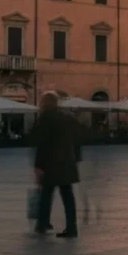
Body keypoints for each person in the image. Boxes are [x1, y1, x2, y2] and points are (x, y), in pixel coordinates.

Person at [31, 92, 80, 238]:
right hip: (67, 163)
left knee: (46, 194)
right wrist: (75, 158)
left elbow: (42, 144)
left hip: (51, 164)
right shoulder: (66, 118)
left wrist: (38, 166)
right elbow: (78, 138)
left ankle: (42, 224)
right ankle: (72, 228)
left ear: (44, 103)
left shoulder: (45, 118)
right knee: (68, 197)